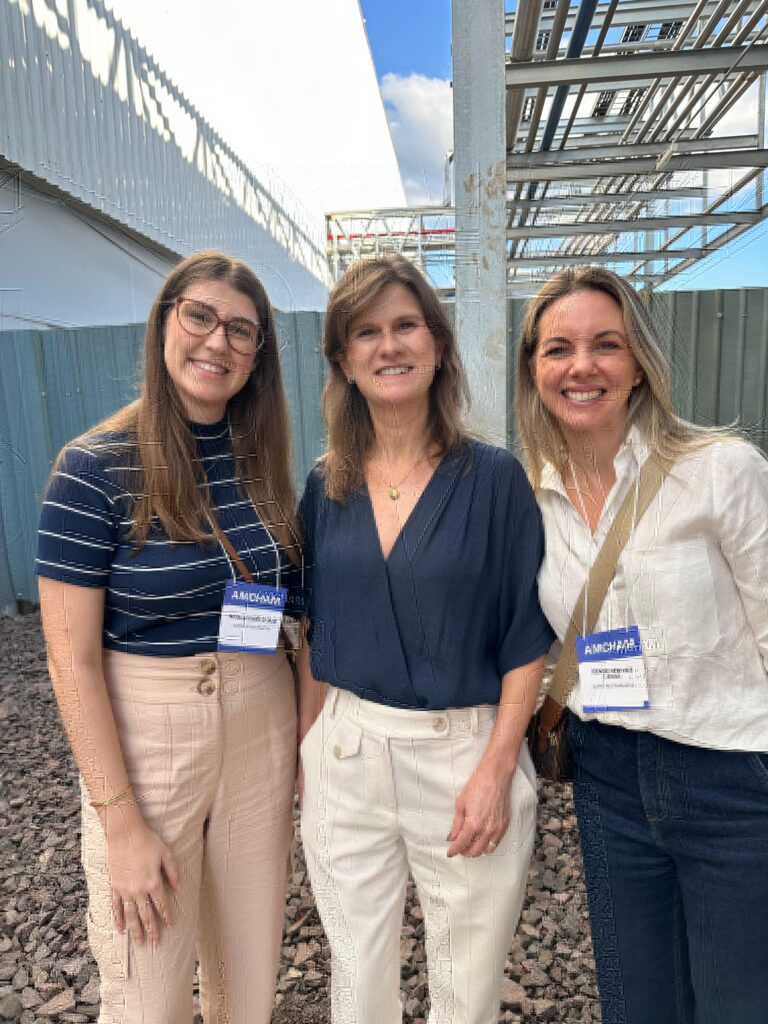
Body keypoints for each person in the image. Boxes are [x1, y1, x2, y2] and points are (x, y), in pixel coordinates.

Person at [36, 251, 303, 1024]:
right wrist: (120, 821)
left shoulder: (261, 462)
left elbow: (296, 604)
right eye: (200, 316)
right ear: (164, 322)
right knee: (146, 981)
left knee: (249, 964)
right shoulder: (92, 469)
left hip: (261, 717)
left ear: (257, 359)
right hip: (151, 736)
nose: (217, 342)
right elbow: (70, 657)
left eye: (241, 331)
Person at [297, 254, 554, 1024]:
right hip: (345, 752)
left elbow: (524, 638)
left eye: (406, 325)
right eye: (366, 332)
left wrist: (497, 767)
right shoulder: (326, 482)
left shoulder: (496, 479)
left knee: (465, 983)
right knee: (356, 975)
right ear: (344, 359)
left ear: (438, 344)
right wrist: (309, 748)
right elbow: (314, 629)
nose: (389, 345)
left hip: (462, 752)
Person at [516, 266, 768, 1024]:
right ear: (534, 367)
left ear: (639, 365)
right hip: (608, 775)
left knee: (739, 1003)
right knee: (638, 1002)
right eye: (559, 348)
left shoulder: (720, 471)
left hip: (730, 774)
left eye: (606, 345)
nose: (581, 366)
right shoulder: (530, 494)